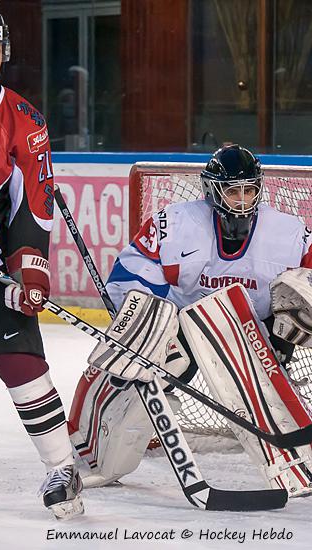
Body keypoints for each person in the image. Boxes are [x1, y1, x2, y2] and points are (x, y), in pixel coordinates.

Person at [68, 144, 312, 494]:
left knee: (268, 394)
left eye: (249, 190)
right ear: (213, 190)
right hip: (179, 329)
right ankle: (95, 451)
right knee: (139, 375)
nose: (242, 199)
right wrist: (155, 327)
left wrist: (285, 330)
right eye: (232, 190)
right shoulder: (175, 223)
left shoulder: (288, 233)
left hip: (252, 336)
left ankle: (296, 464)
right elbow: (129, 277)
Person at [0, 4, 83, 520]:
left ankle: (61, 467)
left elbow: (35, 203)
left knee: (20, 363)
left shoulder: (24, 121)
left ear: (4, 56)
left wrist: (28, 267)